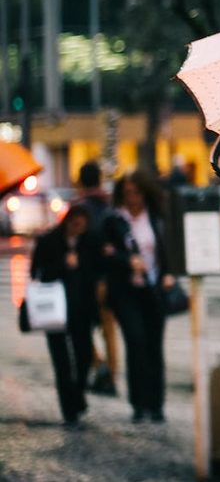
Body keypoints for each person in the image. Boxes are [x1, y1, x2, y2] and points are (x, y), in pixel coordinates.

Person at [103, 170, 176, 423]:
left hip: (153, 289)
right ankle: (138, 404)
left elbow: (166, 250)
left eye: (136, 193)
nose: (132, 198)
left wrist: (168, 274)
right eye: (127, 193)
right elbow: (106, 253)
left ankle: (156, 404)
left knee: (154, 346)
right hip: (126, 292)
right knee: (135, 342)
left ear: (145, 193)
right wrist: (127, 261)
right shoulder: (115, 220)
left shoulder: (155, 218)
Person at [30, 205, 100, 428]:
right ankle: (69, 410)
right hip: (54, 309)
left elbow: (97, 271)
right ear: (67, 221)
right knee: (62, 362)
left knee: (84, 356)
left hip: (81, 308)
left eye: (81, 224)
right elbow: (36, 271)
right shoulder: (50, 240)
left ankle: (77, 395)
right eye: (74, 223)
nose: (77, 227)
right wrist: (63, 265)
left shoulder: (89, 242)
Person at [74, 160, 118, 396]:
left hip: (85, 277)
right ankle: (111, 375)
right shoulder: (109, 205)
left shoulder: (78, 209)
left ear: (81, 180)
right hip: (108, 276)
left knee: (80, 326)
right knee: (108, 328)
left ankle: (98, 364)